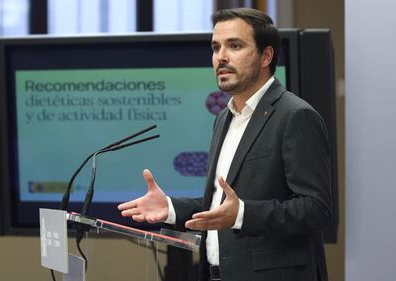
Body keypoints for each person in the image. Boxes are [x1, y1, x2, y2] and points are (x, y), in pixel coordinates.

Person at [118, 7, 332, 281]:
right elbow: (220, 207)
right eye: (216, 47)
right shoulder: (224, 118)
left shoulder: (295, 115)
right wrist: (170, 208)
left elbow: (316, 209)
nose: (221, 57)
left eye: (235, 46)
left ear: (266, 55)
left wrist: (242, 213)